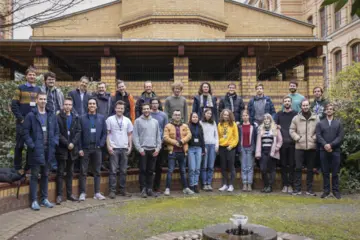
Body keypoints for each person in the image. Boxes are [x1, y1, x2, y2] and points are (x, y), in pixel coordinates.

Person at [23, 92, 59, 210]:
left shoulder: (51, 115)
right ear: (37, 100)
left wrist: (54, 143)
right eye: (41, 99)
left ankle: (44, 199)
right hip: (36, 151)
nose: (43, 101)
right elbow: (25, 132)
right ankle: (34, 200)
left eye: (45, 99)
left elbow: (56, 132)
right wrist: (32, 145)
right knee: (34, 176)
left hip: (48, 150)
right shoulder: (31, 116)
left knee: (45, 175)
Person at [11, 67, 41, 171]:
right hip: (22, 122)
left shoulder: (38, 89)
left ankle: (28, 169)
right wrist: (21, 119)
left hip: (34, 123)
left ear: (35, 77)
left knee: (31, 146)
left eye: (33, 75)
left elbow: (40, 105)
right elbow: (14, 105)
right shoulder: (20, 88)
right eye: (30, 74)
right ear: (26, 76)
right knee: (19, 145)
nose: (32, 76)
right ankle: (17, 169)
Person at [78, 98, 107, 201]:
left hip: (97, 148)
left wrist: (101, 144)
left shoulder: (101, 118)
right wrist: (80, 148)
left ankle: (97, 193)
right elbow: (79, 134)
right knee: (83, 171)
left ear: (96, 106)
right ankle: (82, 193)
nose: (92, 105)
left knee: (97, 171)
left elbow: (104, 133)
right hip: (85, 149)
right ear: (87, 106)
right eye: (90, 103)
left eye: (93, 103)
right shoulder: (82, 118)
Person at [290, 99, 319, 196]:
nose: (305, 107)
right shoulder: (296, 118)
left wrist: (313, 138)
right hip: (299, 147)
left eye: (307, 105)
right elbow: (291, 130)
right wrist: (297, 138)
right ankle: (297, 189)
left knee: (310, 169)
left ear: (309, 106)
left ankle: (309, 189)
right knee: (298, 168)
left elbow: (319, 131)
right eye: (303, 105)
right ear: (301, 107)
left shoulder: (316, 118)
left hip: (311, 147)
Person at [55, 97, 81, 205]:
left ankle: (70, 194)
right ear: (63, 105)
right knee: (60, 172)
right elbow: (58, 133)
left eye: (70, 105)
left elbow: (78, 131)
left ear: (72, 106)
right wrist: (67, 143)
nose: (68, 106)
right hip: (62, 148)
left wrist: (73, 143)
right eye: (66, 104)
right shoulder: (58, 117)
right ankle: (59, 195)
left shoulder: (75, 117)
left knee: (70, 173)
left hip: (72, 150)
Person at [316, 103, 344, 199]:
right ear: (325, 111)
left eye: (331, 109)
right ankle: (326, 191)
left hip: (335, 150)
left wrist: (331, 145)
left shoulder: (338, 123)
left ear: (333, 111)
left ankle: (336, 191)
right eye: (327, 109)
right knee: (325, 172)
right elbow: (318, 136)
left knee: (335, 172)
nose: (329, 110)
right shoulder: (320, 123)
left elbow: (340, 137)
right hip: (323, 150)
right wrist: (325, 145)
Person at [133, 103, 162, 198]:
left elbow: (158, 136)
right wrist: (139, 149)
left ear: (150, 110)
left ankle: (150, 189)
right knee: (143, 171)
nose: (146, 110)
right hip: (143, 150)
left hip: (153, 150)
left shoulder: (155, 122)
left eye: (147, 109)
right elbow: (135, 136)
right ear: (142, 110)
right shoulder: (137, 121)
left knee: (151, 171)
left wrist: (158, 148)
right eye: (144, 109)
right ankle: (143, 189)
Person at [106, 100, 133, 199]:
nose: (120, 110)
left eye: (122, 108)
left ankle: (122, 190)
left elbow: (130, 134)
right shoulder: (109, 119)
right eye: (118, 108)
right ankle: (112, 191)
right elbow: (107, 134)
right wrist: (108, 146)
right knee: (113, 171)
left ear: (124, 109)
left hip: (124, 148)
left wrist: (130, 146)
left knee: (123, 171)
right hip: (114, 148)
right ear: (115, 108)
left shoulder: (127, 120)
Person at [163, 110, 194, 196]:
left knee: (183, 171)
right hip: (172, 152)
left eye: (179, 115)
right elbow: (165, 137)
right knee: (170, 171)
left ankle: (185, 188)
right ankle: (167, 189)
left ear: (181, 116)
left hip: (182, 152)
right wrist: (175, 142)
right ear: (172, 116)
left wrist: (182, 141)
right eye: (175, 115)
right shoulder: (168, 126)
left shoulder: (185, 126)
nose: (177, 116)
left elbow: (189, 135)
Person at [39, 71, 64, 171]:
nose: (51, 81)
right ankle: (46, 165)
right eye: (49, 79)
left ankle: (53, 165)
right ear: (45, 81)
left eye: (53, 79)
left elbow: (61, 104)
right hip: (45, 118)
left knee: (55, 141)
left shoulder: (58, 91)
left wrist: (59, 112)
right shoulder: (41, 91)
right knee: (46, 141)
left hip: (57, 119)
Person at [274, 96, 298, 194]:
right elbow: (274, 125)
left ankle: (291, 185)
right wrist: (276, 126)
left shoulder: (296, 114)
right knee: (283, 165)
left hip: (293, 143)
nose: (287, 103)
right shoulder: (279, 114)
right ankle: (285, 185)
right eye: (285, 101)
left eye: (288, 101)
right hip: (282, 144)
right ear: (283, 103)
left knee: (292, 165)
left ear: (291, 103)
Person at [255, 114, 283, 193]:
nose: (266, 120)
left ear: (270, 120)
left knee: (272, 170)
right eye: (265, 119)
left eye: (268, 119)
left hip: (272, 151)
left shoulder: (275, 128)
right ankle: (266, 185)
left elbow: (280, 140)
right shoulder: (260, 129)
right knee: (263, 169)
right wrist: (258, 152)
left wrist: (276, 148)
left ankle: (270, 186)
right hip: (263, 151)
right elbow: (258, 142)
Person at [150, 98, 169, 193]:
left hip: (160, 144)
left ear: (158, 104)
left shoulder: (163, 115)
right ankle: (148, 187)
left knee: (158, 167)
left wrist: (162, 141)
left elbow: (166, 129)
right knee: (150, 167)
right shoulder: (147, 114)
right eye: (152, 103)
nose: (154, 105)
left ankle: (156, 187)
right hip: (149, 145)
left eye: (156, 103)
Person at [218, 109, 239, 192]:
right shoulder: (219, 124)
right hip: (222, 147)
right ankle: (225, 184)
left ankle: (231, 185)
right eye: (224, 115)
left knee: (231, 167)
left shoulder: (233, 124)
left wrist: (232, 145)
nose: (225, 116)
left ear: (230, 116)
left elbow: (236, 137)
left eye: (227, 115)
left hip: (230, 148)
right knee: (223, 167)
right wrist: (220, 144)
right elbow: (219, 136)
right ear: (222, 115)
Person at [237, 110, 257, 192]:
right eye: (243, 116)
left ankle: (249, 184)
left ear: (248, 116)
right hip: (242, 148)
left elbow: (255, 139)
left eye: (246, 115)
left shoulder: (253, 127)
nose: (245, 117)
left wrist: (254, 149)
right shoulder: (239, 127)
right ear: (242, 117)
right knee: (243, 167)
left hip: (250, 148)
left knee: (249, 167)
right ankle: (244, 183)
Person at [200, 109, 218, 192]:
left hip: (212, 145)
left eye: (210, 113)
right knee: (204, 166)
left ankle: (209, 183)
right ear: (204, 114)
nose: (209, 115)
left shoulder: (213, 123)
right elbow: (201, 136)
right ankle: (204, 183)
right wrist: (203, 147)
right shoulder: (201, 123)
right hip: (205, 146)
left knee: (211, 166)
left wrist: (217, 145)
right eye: (207, 113)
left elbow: (216, 135)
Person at [187, 112, 205, 193]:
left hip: (199, 149)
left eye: (196, 117)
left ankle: (195, 185)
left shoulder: (200, 126)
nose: (195, 118)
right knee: (192, 169)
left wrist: (203, 149)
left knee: (197, 168)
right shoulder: (188, 126)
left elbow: (202, 139)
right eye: (193, 117)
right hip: (191, 149)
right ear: (191, 118)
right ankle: (191, 185)